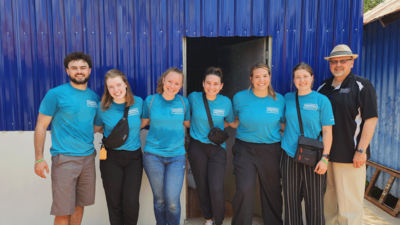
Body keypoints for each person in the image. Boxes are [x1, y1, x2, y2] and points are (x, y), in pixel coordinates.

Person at [34, 52, 99, 225]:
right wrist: (38, 159)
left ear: (89, 70)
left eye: (83, 68)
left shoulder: (94, 98)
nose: (79, 71)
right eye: (74, 68)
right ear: (67, 71)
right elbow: (41, 126)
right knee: (63, 211)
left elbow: (94, 126)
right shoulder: (55, 94)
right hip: (64, 159)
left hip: (88, 159)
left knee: (79, 206)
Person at [317, 44, 378, 225]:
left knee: (349, 207)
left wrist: (361, 151)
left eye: (343, 61)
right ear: (329, 64)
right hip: (326, 156)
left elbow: (371, 119)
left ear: (351, 62)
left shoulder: (362, 85)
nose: (338, 65)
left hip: (351, 157)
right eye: (334, 61)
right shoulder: (323, 87)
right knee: (328, 203)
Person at [231, 63, 285, 225]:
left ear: (269, 78)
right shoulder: (240, 97)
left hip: (271, 149)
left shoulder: (279, 99)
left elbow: (284, 125)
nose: (261, 80)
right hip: (245, 149)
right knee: (244, 189)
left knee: (272, 191)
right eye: (257, 76)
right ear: (251, 79)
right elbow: (233, 121)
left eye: (265, 76)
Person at [281, 62, 334, 224]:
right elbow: (282, 124)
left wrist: (325, 158)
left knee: (315, 202)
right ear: (293, 80)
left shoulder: (322, 100)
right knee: (290, 201)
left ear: (312, 78)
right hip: (290, 154)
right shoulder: (287, 98)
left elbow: (327, 132)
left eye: (305, 76)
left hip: (315, 157)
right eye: (298, 77)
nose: (301, 80)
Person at [93, 69, 144, 225]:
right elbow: (96, 128)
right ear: (107, 89)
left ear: (125, 84)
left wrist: (128, 132)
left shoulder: (139, 102)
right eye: (111, 87)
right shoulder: (102, 107)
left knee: (131, 203)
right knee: (114, 203)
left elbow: (144, 121)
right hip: (110, 159)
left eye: (118, 85)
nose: (116, 90)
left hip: (134, 159)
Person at [141, 68, 190, 225]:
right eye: (169, 81)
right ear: (163, 81)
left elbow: (190, 124)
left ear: (181, 85)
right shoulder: (151, 101)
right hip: (153, 156)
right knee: (160, 201)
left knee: (173, 202)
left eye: (177, 83)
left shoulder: (184, 102)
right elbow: (141, 124)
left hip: (177, 157)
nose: (172, 86)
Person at [187, 67, 236, 225]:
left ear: (221, 86)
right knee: (202, 186)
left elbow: (230, 122)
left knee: (216, 187)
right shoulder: (193, 98)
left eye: (216, 84)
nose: (211, 87)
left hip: (217, 149)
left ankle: (219, 221)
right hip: (197, 148)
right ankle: (208, 220)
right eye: (208, 83)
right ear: (203, 84)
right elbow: (186, 116)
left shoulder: (226, 102)